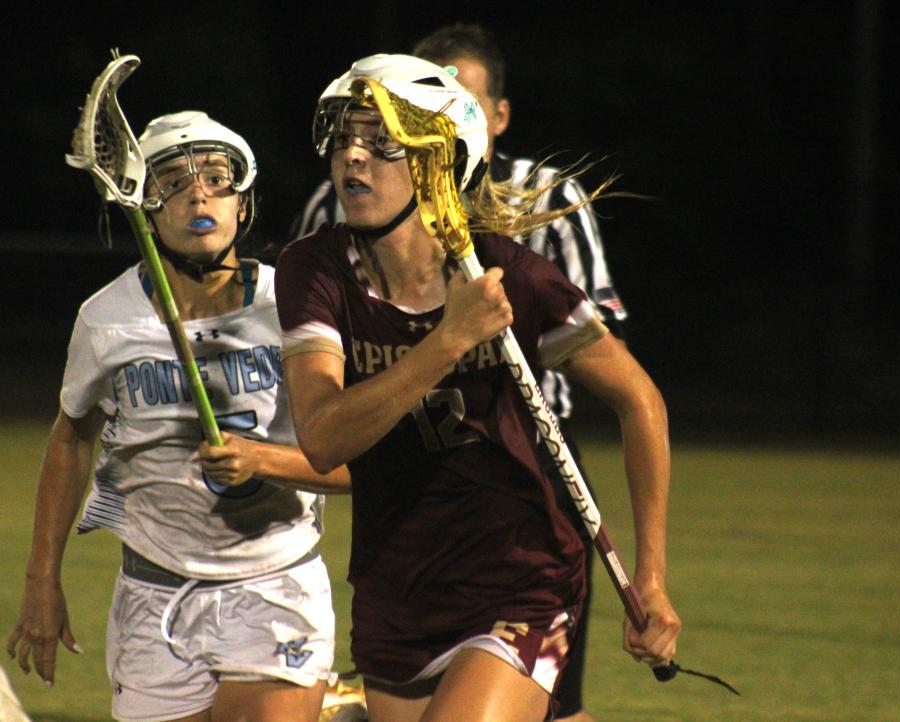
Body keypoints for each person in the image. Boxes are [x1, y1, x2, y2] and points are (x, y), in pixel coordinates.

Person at [276, 53, 680, 722]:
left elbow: (640, 400)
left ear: (440, 162)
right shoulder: (314, 270)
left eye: (382, 144)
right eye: (344, 138)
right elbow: (322, 438)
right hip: (397, 588)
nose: (353, 158)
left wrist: (654, 577)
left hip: (521, 579)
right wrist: (448, 342)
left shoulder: (510, 276)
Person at [6, 110, 349, 722]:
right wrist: (41, 580)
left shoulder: (297, 306)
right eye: (172, 180)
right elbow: (71, 441)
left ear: (243, 204)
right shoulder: (105, 318)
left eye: (218, 177)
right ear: (144, 204)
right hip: (153, 593)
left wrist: (264, 462)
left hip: (275, 586)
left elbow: (359, 463)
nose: (198, 192)